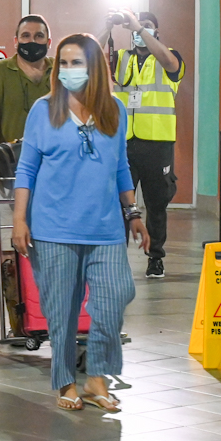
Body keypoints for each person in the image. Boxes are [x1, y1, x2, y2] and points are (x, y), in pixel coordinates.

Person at [12, 33, 146, 412]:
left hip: (105, 228)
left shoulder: (114, 110)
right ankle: (66, 381)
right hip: (53, 227)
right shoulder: (43, 110)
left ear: (95, 68)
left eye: (77, 63)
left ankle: (97, 377)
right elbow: (26, 169)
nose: (68, 70)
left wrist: (133, 212)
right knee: (62, 311)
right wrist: (19, 219)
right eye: (64, 63)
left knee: (116, 296)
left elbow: (120, 166)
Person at [102, 9, 183, 278]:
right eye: (137, 25)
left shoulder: (168, 55)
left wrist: (139, 28)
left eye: (148, 25)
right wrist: (108, 26)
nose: (140, 29)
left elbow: (170, 63)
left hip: (157, 143)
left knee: (157, 204)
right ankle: (117, 258)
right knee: (121, 203)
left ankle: (155, 257)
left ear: (156, 31)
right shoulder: (121, 58)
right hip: (124, 143)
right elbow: (90, 57)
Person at [0, 14, 52, 151]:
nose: (32, 41)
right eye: (26, 36)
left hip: (54, 155)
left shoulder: (60, 70)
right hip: (11, 156)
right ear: (16, 41)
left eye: (39, 36)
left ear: (49, 42)